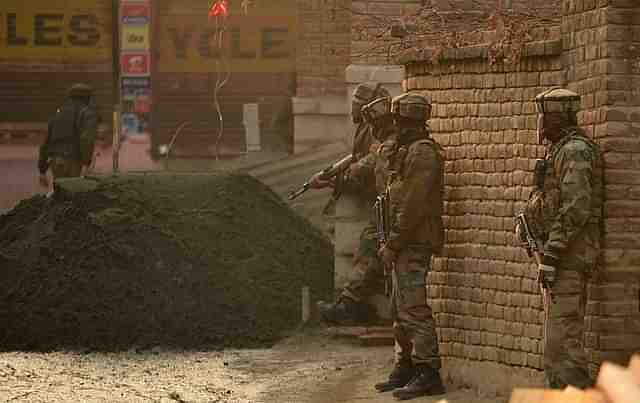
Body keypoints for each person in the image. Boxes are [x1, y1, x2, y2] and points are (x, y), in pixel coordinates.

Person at [518, 88, 603, 389]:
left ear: (558, 118)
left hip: (570, 257)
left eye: (545, 117)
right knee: (556, 347)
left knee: (564, 345)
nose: (540, 124)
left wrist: (552, 254)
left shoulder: (575, 151)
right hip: (559, 255)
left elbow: (576, 207)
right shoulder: (559, 150)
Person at [373, 92, 446, 400]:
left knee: (413, 307)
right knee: (399, 308)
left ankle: (428, 371)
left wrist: (394, 241)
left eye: (400, 121)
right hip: (401, 240)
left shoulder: (422, 153)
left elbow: (413, 204)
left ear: (410, 121)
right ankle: (405, 366)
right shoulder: (406, 151)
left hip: (413, 242)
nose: (397, 127)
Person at [312, 82, 390, 325]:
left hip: (390, 201)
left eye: (358, 104)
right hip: (383, 198)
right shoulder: (368, 127)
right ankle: (359, 305)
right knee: (373, 249)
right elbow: (358, 159)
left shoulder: (384, 129)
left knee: (370, 247)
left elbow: (369, 161)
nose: (353, 108)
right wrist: (334, 176)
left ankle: (349, 305)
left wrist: (340, 179)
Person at [38, 83, 98, 187]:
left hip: (55, 162)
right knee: (74, 196)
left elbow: (45, 142)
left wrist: (42, 170)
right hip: (73, 161)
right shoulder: (87, 113)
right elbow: (86, 139)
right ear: (87, 97)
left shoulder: (58, 113)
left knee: (61, 196)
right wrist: (86, 163)